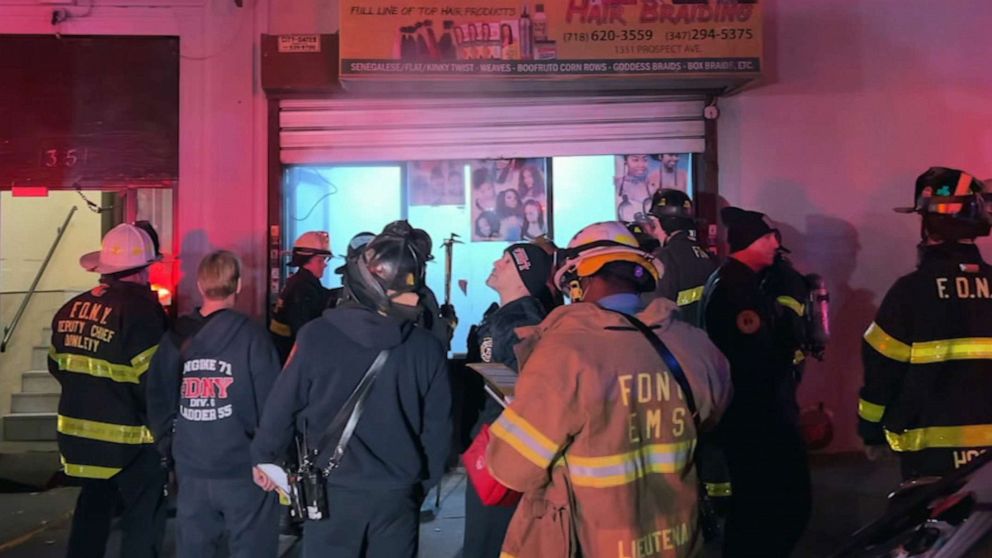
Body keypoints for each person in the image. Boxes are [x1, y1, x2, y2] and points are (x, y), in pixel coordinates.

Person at [487, 221, 732, 557]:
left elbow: (512, 468)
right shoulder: (694, 345)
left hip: (595, 542)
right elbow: (711, 415)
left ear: (579, 279)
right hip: (678, 538)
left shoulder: (565, 353)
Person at [251, 221, 452, 558]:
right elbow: (438, 431)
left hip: (331, 493)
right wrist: (418, 485)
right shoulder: (426, 349)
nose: (415, 299)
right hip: (396, 495)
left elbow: (281, 408)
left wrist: (264, 458)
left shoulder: (316, 337)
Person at [860, 167, 992, 479]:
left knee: (934, 527)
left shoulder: (911, 291)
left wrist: (871, 431)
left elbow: (881, 368)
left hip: (930, 456)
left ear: (929, 223)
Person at [147, 250, 280, 558]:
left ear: (200, 284)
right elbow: (273, 404)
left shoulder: (176, 337)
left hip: (192, 469)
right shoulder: (254, 338)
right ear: (239, 285)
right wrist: (269, 459)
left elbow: (158, 398)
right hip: (245, 471)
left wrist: (171, 448)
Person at [49, 223, 169, 558]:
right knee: (142, 520)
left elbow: (58, 367)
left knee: (91, 515)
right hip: (131, 443)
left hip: (80, 442)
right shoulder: (142, 311)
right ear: (143, 269)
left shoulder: (70, 309)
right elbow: (154, 382)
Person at [702, 207, 811, 558]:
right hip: (756, 418)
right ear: (751, 241)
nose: (776, 244)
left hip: (754, 415)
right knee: (766, 508)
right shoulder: (739, 289)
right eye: (768, 237)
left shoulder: (739, 281)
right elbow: (756, 358)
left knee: (760, 506)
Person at [462, 242, 558, 558]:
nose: (495, 263)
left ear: (521, 275)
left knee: (486, 538)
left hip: (499, 449)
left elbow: (511, 392)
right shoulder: (532, 316)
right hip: (520, 447)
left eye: (505, 261)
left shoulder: (508, 324)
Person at [641, 188, 717, 328]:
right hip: (701, 337)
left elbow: (654, 314)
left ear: (665, 224)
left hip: (675, 339)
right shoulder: (705, 255)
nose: (655, 232)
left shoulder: (664, 258)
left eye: (655, 225)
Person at [269, 230, 333, 363]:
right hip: (292, 359)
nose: (325, 264)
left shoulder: (299, 283)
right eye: (320, 260)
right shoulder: (302, 290)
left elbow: (323, 295)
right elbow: (305, 333)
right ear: (306, 260)